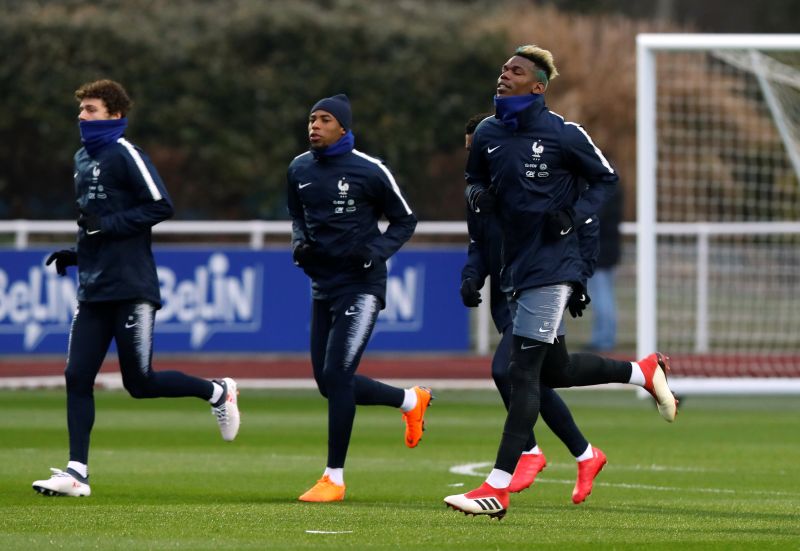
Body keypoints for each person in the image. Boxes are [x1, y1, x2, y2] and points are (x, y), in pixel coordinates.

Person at [444, 46, 678, 519]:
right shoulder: (488, 133)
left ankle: (498, 486)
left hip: (552, 267)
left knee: (520, 371)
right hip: (515, 267)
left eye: (515, 71)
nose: (503, 75)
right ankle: (642, 372)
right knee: (557, 372)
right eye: (502, 69)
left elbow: (606, 181)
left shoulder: (563, 134)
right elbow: (472, 182)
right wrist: (480, 197)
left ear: (538, 86)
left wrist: (571, 217)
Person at [32, 79, 240, 498]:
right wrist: (78, 254)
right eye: (81, 110)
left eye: (90, 110)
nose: (81, 117)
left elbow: (161, 205)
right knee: (76, 376)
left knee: (140, 382)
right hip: (93, 289)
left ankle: (218, 391)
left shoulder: (126, 154)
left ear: (114, 115)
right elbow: (92, 223)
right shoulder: (81, 158)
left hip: (131, 287)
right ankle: (77, 474)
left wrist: (106, 227)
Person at [287, 93, 431, 503]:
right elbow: (297, 215)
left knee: (337, 376)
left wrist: (376, 252)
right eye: (312, 118)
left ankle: (333, 478)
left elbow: (405, 219)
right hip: (322, 285)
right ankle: (410, 399)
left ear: (343, 128)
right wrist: (300, 244)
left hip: (362, 287)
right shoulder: (298, 168)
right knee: (328, 383)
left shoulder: (370, 171)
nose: (314, 125)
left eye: (325, 119)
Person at [461, 113, 600, 496]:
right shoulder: (479, 195)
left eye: (479, 151)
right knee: (553, 373)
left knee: (510, 373)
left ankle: (520, 461)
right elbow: (478, 244)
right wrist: (471, 276)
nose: (474, 159)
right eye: (470, 151)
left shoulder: (535, 183)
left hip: (539, 285)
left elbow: (584, 229)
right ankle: (586, 452)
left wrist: (580, 280)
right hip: (506, 297)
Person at [585, 185, 623, 351]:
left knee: (602, 296)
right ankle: (602, 337)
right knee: (602, 295)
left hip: (600, 251)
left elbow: (595, 216)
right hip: (604, 249)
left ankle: (604, 339)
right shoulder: (611, 188)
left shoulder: (605, 190)